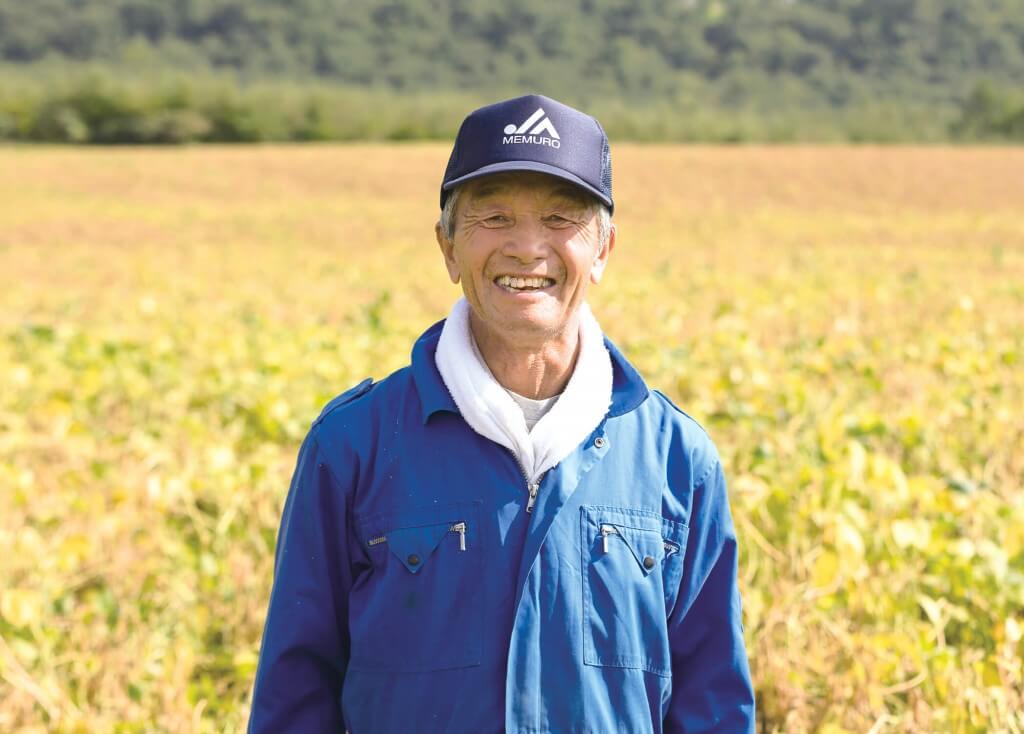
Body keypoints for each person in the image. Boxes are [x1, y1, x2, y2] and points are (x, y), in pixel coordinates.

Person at [248, 94, 756, 733]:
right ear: (448, 246)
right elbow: (295, 699)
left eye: (558, 217)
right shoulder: (353, 445)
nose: (526, 248)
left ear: (602, 251)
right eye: (493, 216)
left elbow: (713, 707)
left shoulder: (676, 459)